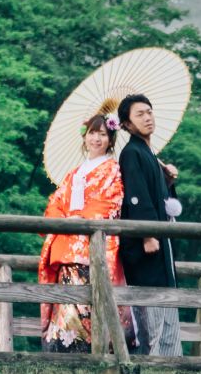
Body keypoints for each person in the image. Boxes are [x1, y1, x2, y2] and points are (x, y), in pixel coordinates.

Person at [38, 113, 132, 352]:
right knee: (67, 299)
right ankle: (63, 347)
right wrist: (64, 221)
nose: (97, 139)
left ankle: (92, 347)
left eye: (103, 134)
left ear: (111, 139)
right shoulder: (74, 172)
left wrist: (82, 219)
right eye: (92, 133)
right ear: (85, 136)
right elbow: (56, 202)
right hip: (67, 244)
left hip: (92, 246)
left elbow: (111, 202)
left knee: (90, 298)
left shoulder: (112, 169)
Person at [117, 93, 183, 356]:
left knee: (166, 296)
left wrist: (166, 180)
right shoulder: (131, 153)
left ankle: (171, 358)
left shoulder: (149, 154)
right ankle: (152, 359)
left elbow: (160, 199)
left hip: (160, 239)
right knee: (150, 300)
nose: (147, 118)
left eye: (149, 112)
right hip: (146, 242)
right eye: (139, 115)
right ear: (126, 125)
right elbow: (136, 195)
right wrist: (147, 234)